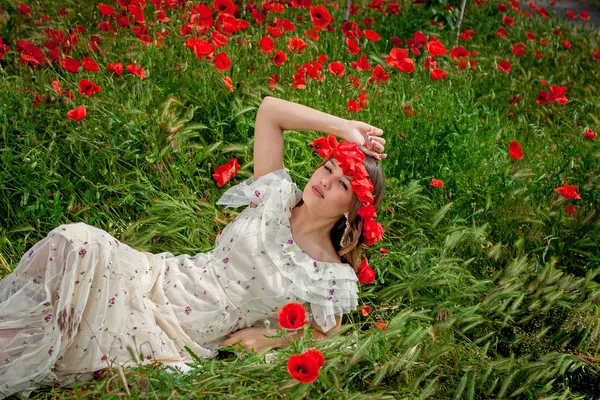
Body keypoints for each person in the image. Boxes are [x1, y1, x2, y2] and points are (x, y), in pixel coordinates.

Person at [0, 96, 386, 398]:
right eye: (328, 168)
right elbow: (270, 111)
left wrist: (272, 338)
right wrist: (343, 127)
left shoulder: (330, 276)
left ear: (354, 210)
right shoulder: (276, 198)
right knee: (77, 242)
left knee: (66, 334)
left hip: (179, 333)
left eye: (344, 185)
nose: (326, 180)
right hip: (154, 277)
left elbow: (326, 332)